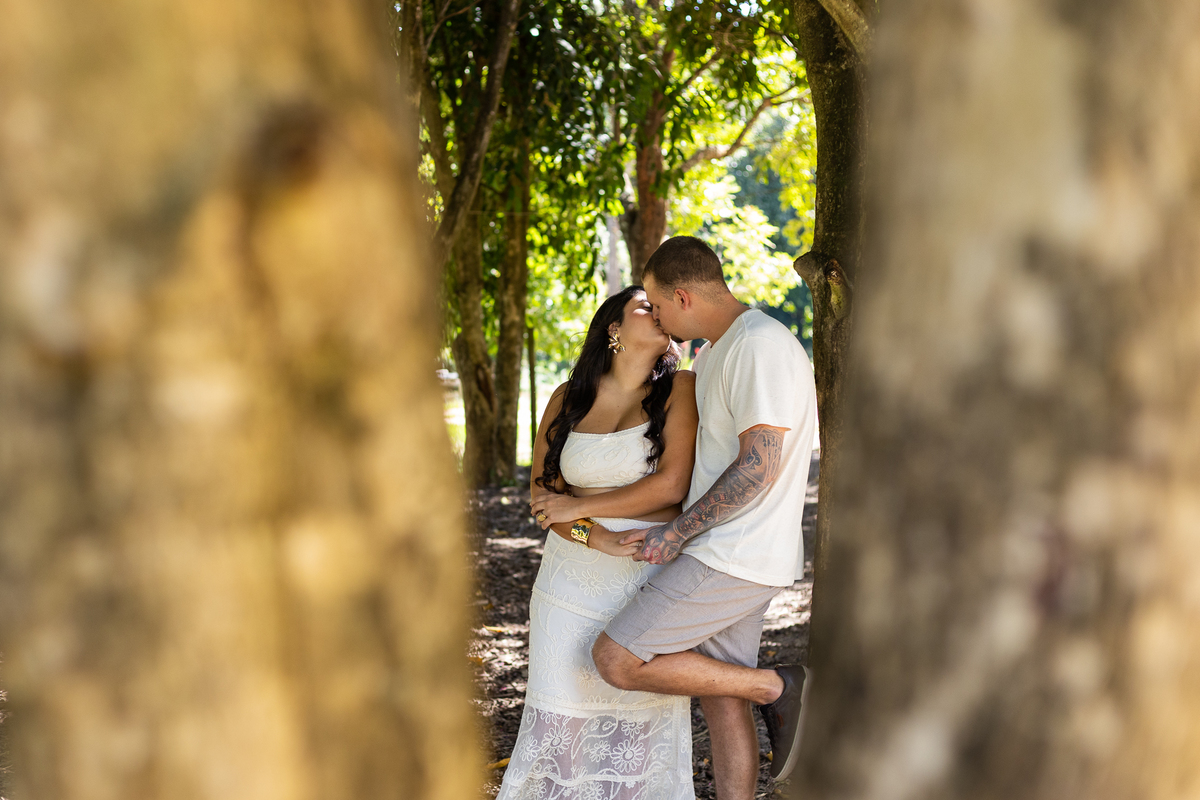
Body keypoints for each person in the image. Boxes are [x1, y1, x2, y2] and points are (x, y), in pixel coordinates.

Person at [534, 236, 817, 796]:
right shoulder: (715, 353)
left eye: (658, 304)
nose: (658, 317)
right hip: (724, 547)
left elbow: (758, 465)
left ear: (682, 297)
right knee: (721, 693)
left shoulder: (757, 345)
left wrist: (676, 531)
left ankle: (780, 688)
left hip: (732, 552)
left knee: (616, 658)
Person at [497, 286, 700, 800]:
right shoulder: (567, 398)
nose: (658, 311)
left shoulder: (680, 390)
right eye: (644, 306)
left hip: (646, 573)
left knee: (637, 731)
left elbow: (671, 486)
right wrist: (595, 536)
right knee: (561, 727)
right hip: (568, 582)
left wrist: (579, 506)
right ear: (613, 328)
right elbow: (544, 498)